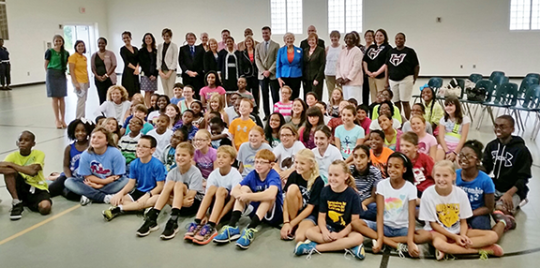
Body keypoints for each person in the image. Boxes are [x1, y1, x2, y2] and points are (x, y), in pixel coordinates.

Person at [419, 160, 504, 261]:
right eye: (438, 175)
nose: (441, 179)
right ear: (433, 175)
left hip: (459, 230)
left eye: (445, 176)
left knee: (493, 235)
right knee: (439, 243)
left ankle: (451, 248)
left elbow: (463, 221)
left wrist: (462, 236)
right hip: (438, 232)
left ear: (454, 176)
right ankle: (481, 250)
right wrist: (455, 238)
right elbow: (433, 224)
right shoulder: (428, 194)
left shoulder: (461, 193)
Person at [353, 152, 431, 257]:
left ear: (404, 169)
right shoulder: (382, 185)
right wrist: (380, 237)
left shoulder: (410, 187)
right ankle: (396, 245)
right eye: (389, 166)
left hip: (402, 229)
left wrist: (410, 241)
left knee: (427, 235)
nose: (392, 169)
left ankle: (385, 241)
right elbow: (379, 214)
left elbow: (412, 217)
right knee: (355, 223)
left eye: (396, 167)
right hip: (384, 227)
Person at [294, 160, 365, 260]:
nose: (332, 178)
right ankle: (347, 246)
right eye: (330, 175)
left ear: (346, 176)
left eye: (336, 175)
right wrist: (324, 231)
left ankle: (315, 247)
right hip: (329, 227)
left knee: (358, 238)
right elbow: (321, 217)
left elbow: (354, 223)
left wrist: (340, 235)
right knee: (309, 232)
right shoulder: (325, 191)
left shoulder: (353, 195)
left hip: (346, 230)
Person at [213, 149, 283, 249]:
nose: (258, 165)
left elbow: (271, 194)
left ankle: (250, 229)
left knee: (267, 197)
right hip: (257, 211)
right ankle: (232, 226)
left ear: (271, 165)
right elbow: (234, 191)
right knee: (244, 188)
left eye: (262, 162)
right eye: (256, 161)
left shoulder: (273, 175)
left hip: (274, 214)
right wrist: (242, 195)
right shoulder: (253, 174)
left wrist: (248, 197)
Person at [136, 142, 204, 239]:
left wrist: (169, 199)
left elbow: (190, 197)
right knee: (170, 184)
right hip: (180, 204)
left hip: (193, 204)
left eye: (184, 155)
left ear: (191, 157)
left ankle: (173, 220)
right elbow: (166, 193)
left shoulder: (195, 172)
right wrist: (178, 201)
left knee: (178, 184)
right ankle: (153, 218)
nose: (180, 157)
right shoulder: (172, 172)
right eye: (178, 155)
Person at [185, 145, 243, 244]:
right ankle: (197, 221)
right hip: (214, 208)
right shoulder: (213, 174)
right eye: (219, 156)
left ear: (232, 161)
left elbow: (233, 200)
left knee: (221, 190)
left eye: (224, 157)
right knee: (212, 188)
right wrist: (206, 214)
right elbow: (207, 196)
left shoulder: (235, 175)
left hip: (228, 209)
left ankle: (211, 226)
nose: (220, 159)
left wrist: (218, 219)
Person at [483, 115, 531, 234]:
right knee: (478, 202)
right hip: (496, 185)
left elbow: (523, 178)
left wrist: (509, 194)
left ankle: (515, 205)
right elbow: (486, 168)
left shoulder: (522, 150)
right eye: (496, 126)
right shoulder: (491, 146)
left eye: (503, 127)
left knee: (500, 208)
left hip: (514, 189)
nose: (498, 129)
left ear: (512, 129)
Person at [102, 136, 166, 221]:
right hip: (139, 191)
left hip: (153, 193)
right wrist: (120, 193)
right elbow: (131, 183)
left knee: (157, 199)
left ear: (152, 150)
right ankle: (142, 208)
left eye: (144, 146)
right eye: (138, 146)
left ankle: (118, 209)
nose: (140, 148)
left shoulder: (157, 165)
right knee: (119, 200)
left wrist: (148, 195)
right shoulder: (134, 164)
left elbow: (160, 186)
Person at [65, 127, 128, 205]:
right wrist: (102, 181)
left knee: (125, 181)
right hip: (91, 183)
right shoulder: (86, 154)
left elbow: (117, 175)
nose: (95, 140)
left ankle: (90, 195)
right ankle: (104, 197)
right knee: (69, 182)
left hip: (110, 184)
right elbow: (87, 176)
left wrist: (100, 185)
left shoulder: (115, 153)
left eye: (99, 137)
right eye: (93, 137)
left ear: (107, 141)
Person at [0, 131, 52, 220]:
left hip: (38, 188)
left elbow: (32, 171)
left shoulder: (38, 154)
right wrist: (23, 169)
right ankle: (16, 202)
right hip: (21, 187)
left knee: (45, 208)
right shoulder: (12, 156)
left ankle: (27, 203)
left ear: (33, 144)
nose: (22, 142)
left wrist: (12, 165)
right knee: (9, 172)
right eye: (20, 140)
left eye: (26, 140)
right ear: (17, 143)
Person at [281, 149, 325, 242]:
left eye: (302, 163)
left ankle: (296, 225)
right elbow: (286, 201)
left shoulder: (318, 181)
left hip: (310, 214)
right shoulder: (294, 175)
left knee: (299, 238)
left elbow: (310, 208)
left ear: (311, 165)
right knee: (292, 188)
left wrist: (291, 224)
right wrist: (286, 222)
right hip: (295, 211)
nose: (298, 166)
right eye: (296, 162)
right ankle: (295, 225)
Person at [455, 140, 497, 231]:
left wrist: (469, 214)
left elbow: (489, 207)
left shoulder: (486, 180)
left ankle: (503, 222)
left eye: (469, 156)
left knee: (482, 228)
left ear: (477, 161)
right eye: (461, 155)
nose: (463, 159)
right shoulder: (453, 175)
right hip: (456, 211)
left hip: (476, 212)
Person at [48, 119, 95, 200]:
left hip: (85, 179)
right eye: (77, 131)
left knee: (72, 195)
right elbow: (66, 166)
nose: (80, 133)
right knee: (52, 189)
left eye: (83, 131)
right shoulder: (69, 148)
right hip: (69, 177)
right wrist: (69, 178)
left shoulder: (92, 147)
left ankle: (65, 191)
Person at [386, 33, 420, 120]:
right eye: (396, 38)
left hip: (406, 78)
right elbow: (387, 66)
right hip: (393, 79)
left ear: (404, 40)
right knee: (396, 102)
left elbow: (416, 66)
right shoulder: (391, 52)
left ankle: (408, 120)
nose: (398, 40)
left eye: (401, 38)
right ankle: (399, 120)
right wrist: (387, 79)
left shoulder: (410, 52)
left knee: (405, 101)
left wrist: (414, 78)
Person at [350, 145, 381, 221]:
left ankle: (355, 219)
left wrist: (362, 204)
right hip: (351, 202)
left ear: (368, 159)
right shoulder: (348, 170)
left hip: (367, 203)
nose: (358, 160)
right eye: (355, 157)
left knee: (376, 209)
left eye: (362, 156)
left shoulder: (375, 172)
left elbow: (374, 197)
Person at [255, 26, 281, 118]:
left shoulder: (276, 45)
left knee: (275, 95)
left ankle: (276, 113)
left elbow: (277, 59)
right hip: (262, 75)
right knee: (264, 95)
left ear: (270, 33)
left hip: (273, 74)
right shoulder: (258, 46)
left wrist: (269, 71)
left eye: (266, 33)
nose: (265, 35)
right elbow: (257, 59)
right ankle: (267, 114)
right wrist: (263, 71)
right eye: (263, 33)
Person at [45, 35, 70, 129]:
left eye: (60, 41)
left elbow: (66, 63)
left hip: (61, 74)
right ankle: (57, 119)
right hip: (52, 73)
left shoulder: (66, 53)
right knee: (55, 98)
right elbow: (46, 64)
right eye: (57, 41)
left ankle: (63, 119)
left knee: (62, 98)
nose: (58, 42)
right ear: (54, 42)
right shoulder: (50, 52)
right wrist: (49, 74)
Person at [399, 132, 435, 197]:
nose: (404, 149)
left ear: (416, 148)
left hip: (425, 190)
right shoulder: (400, 160)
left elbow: (434, 174)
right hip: (410, 191)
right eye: (402, 145)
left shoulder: (424, 158)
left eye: (407, 146)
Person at [436, 96, 470, 161]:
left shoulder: (465, 119)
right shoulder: (443, 119)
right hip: (445, 145)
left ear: (456, 106)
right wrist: (447, 151)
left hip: (458, 146)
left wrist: (455, 152)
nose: (448, 107)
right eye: (446, 105)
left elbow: (463, 137)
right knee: (437, 161)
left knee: (460, 163)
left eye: (451, 105)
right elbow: (441, 136)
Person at [363, 29, 392, 103]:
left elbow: (386, 63)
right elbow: (365, 60)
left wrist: (377, 72)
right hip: (370, 76)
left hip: (381, 76)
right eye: (377, 35)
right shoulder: (371, 47)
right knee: (373, 97)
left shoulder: (388, 48)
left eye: (381, 35)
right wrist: (367, 71)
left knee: (382, 96)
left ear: (385, 37)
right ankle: (374, 112)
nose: (378, 37)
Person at [336, 32, 363, 100]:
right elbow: (338, 65)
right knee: (346, 101)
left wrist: (348, 78)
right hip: (344, 82)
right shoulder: (343, 51)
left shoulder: (357, 51)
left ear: (354, 40)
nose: (348, 40)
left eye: (351, 38)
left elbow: (356, 67)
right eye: (347, 38)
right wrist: (339, 77)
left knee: (354, 100)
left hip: (354, 82)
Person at [276, 33, 303, 100]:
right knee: (286, 94)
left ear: (294, 40)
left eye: (291, 38)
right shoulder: (281, 50)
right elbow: (278, 65)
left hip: (296, 76)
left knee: (295, 95)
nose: (289, 40)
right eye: (287, 38)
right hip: (284, 76)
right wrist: (279, 78)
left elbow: (302, 63)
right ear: (284, 40)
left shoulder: (299, 50)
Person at [91, 37, 117, 105]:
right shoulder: (94, 55)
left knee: (112, 97)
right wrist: (97, 76)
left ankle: (112, 114)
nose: (101, 44)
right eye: (99, 43)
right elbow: (93, 67)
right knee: (101, 98)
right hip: (99, 80)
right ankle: (102, 114)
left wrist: (106, 75)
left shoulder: (110, 54)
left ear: (105, 44)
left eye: (102, 43)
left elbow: (114, 65)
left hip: (109, 79)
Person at [67, 40, 89, 119]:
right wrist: (75, 83)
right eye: (79, 46)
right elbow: (71, 71)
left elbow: (85, 70)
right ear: (76, 47)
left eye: (82, 46)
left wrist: (88, 81)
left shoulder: (84, 57)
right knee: (81, 100)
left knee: (84, 100)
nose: (81, 47)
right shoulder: (73, 57)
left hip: (85, 80)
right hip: (78, 81)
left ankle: (83, 116)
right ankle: (79, 118)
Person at [179, 32, 205, 99]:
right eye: (188, 39)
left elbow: (203, 62)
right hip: (187, 76)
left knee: (198, 93)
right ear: (186, 40)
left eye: (192, 38)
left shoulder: (200, 49)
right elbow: (181, 62)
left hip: (198, 76)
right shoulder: (182, 49)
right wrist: (187, 71)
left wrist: (197, 72)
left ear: (195, 39)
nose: (190, 40)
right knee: (188, 94)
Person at [239, 36, 260, 112]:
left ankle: (255, 109)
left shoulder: (256, 51)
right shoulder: (242, 52)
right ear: (245, 43)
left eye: (250, 41)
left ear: (252, 42)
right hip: (246, 75)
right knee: (247, 93)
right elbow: (240, 64)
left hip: (255, 75)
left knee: (255, 93)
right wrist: (242, 75)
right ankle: (247, 108)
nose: (248, 43)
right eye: (247, 41)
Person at [156, 28, 179, 97]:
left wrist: (169, 72)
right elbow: (158, 59)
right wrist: (159, 71)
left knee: (171, 89)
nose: (165, 37)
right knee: (165, 89)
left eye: (167, 36)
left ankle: (171, 105)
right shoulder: (160, 46)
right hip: (162, 71)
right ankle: (166, 104)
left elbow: (175, 59)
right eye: (164, 36)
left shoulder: (174, 46)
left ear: (170, 36)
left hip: (171, 71)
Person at [303, 33, 326, 100]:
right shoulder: (305, 50)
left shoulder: (321, 50)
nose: (311, 42)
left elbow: (322, 65)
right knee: (307, 96)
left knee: (316, 96)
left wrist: (317, 78)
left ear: (316, 41)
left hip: (316, 78)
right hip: (307, 78)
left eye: (313, 40)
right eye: (310, 40)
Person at [138, 33, 158, 107]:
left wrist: (155, 74)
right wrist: (149, 75)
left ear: (152, 40)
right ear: (144, 40)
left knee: (152, 91)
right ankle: (147, 107)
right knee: (147, 92)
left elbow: (157, 63)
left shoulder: (155, 51)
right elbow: (142, 64)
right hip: (146, 74)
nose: (148, 40)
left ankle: (152, 106)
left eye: (149, 38)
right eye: (146, 38)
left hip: (154, 74)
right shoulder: (141, 51)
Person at [119, 31, 140, 98]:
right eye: (124, 38)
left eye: (127, 37)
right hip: (128, 72)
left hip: (135, 72)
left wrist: (137, 68)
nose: (126, 39)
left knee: (136, 90)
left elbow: (138, 60)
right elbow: (126, 62)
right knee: (128, 91)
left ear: (130, 38)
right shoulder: (123, 49)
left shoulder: (135, 48)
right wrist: (135, 68)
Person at [324, 31, 341, 97]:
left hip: (339, 73)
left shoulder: (342, 48)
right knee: (330, 92)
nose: (334, 39)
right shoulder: (327, 48)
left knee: (340, 91)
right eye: (332, 37)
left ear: (338, 38)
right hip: (329, 73)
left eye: (335, 37)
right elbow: (325, 60)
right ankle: (331, 105)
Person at [361, 30, 374, 104]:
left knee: (373, 94)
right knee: (364, 94)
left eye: (370, 36)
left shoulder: (375, 48)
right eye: (367, 36)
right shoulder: (361, 48)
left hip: (373, 73)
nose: (368, 37)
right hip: (362, 74)